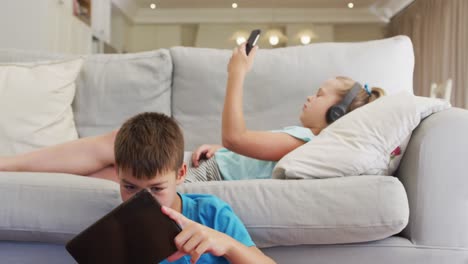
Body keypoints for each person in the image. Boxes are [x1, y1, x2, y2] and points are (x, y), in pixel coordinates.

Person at [0, 43, 384, 182]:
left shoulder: (306, 141)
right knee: (117, 147)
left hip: (200, 177)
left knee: (114, 166)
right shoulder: (303, 140)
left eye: (318, 95)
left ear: (335, 115)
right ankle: (11, 166)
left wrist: (237, 74)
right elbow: (244, 152)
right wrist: (224, 150)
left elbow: (239, 137)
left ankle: (11, 167)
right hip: (207, 166)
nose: (309, 98)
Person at [94, 112, 275, 263]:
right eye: (130, 187)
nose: (142, 199)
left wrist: (228, 245)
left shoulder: (211, 213)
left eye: (157, 189)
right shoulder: (116, 232)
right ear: (118, 173)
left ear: (180, 174)